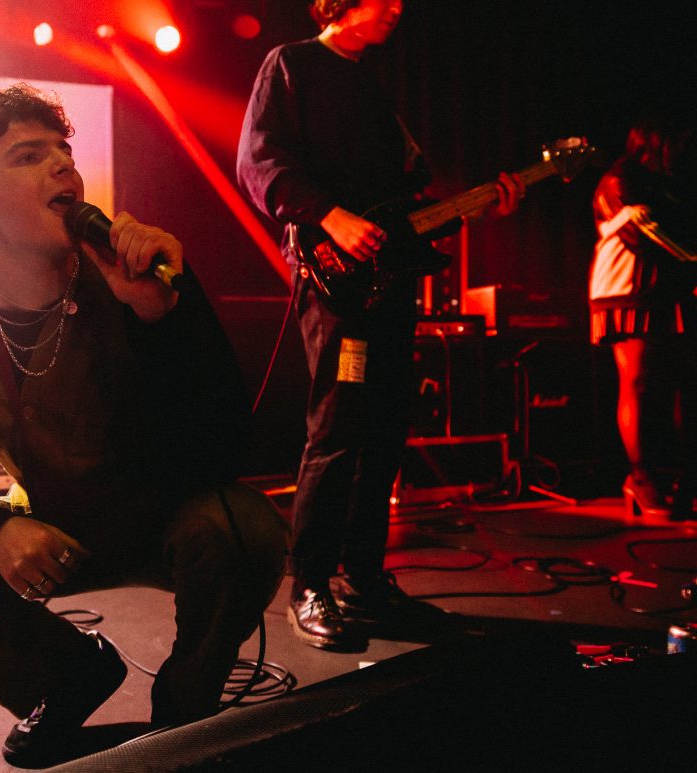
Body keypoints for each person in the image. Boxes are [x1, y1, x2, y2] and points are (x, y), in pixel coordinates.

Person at [0, 83, 288, 768]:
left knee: (247, 527)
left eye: (63, 151)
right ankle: (67, 677)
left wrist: (160, 319)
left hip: (161, 518)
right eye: (29, 156)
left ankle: (186, 716)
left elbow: (227, 445)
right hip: (52, 528)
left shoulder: (141, 277)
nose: (63, 164)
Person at [236, 0, 524, 651]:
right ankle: (309, 585)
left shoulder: (372, 87)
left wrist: (478, 207)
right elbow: (258, 159)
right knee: (337, 426)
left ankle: (363, 579)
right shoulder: (292, 64)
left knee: (387, 428)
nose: (395, 8)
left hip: (389, 281)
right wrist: (330, 216)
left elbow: (402, 209)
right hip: (335, 281)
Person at [589, 116, 697, 520]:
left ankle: (686, 480)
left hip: (666, 286)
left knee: (683, 381)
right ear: (655, 141)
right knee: (637, 381)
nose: (684, 149)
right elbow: (645, 235)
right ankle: (640, 477)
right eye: (677, 141)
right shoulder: (620, 180)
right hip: (626, 288)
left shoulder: (667, 182)